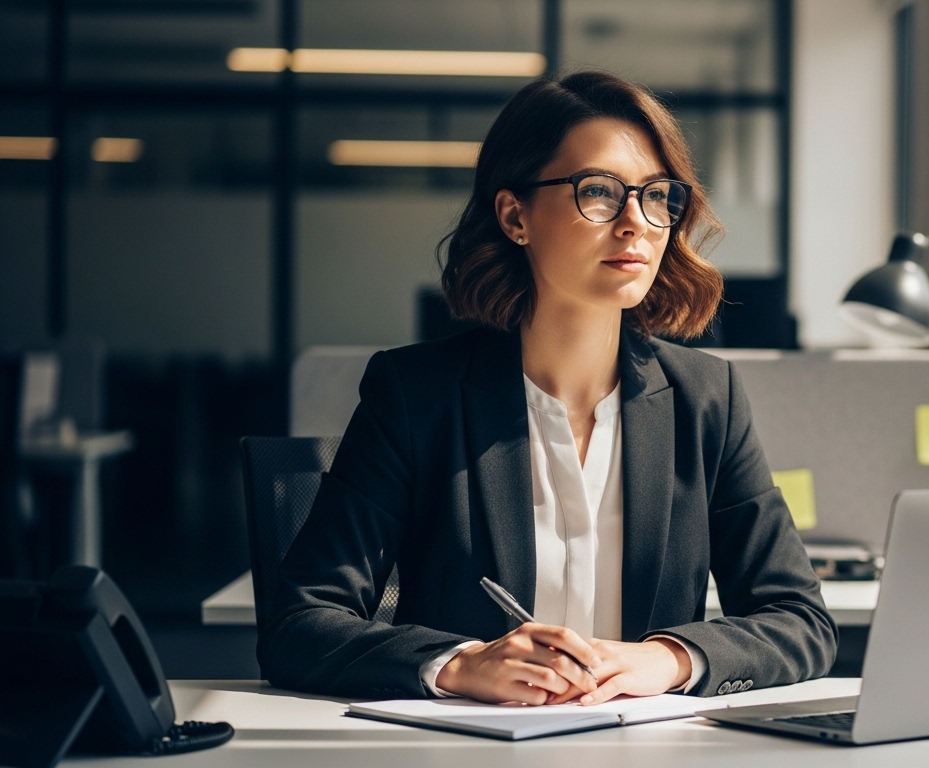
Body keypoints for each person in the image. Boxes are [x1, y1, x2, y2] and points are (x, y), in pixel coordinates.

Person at [257, 71, 836, 706]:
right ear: (515, 216)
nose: (636, 222)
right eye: (599, 192)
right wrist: (460, 664)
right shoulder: (417, 395)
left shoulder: (705, 397)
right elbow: (301, 623)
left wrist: (667, 659)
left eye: (656, 196)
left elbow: (799, 621)